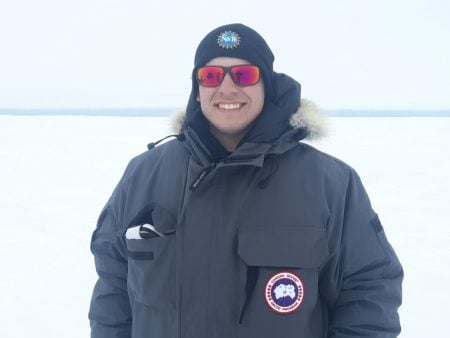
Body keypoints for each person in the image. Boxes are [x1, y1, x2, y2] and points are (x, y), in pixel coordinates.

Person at [89, 23, 403, 338]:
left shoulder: (329, 183)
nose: (226, 89)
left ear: (267, 84)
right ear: (197, 91)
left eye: (244, 75)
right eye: (211, 76)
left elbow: (369, 290)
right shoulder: (143, 175)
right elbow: (113, 287)